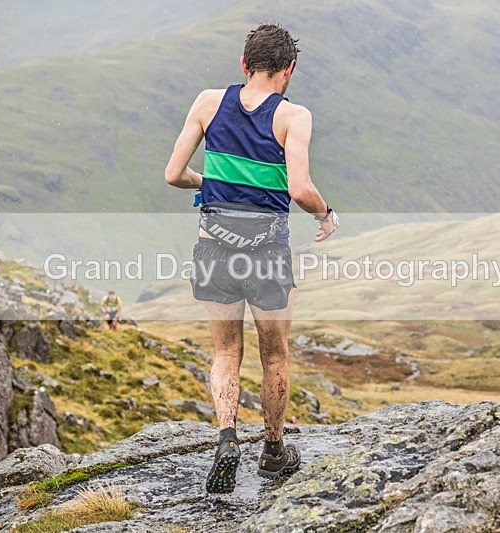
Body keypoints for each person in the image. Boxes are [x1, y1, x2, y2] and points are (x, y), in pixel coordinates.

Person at [165, 23, 339, 494]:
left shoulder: (207, 102)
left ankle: (226, 441)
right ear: (289, 69)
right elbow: (300, 189)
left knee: (226, 352)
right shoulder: (293, 116)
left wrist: (211, 183)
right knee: (274, 355)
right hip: (265, 253)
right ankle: (273, 452)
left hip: (214, 246)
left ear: (244, 65)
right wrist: (326, 214)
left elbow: (173, 174)